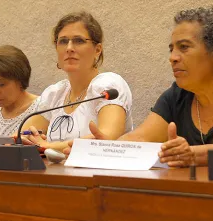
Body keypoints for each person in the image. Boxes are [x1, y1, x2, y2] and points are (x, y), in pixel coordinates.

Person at [72, 7, 213, 167]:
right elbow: (141, 138)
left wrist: (190, 155)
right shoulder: (178, 95)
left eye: (184, 47)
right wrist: (104, 148)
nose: (173, 58)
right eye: (171, 49)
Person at [22, 11, 133, 152]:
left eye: (78, 41)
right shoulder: (55, 93)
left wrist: (47, 146)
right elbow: (23, 136)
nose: (69, 48)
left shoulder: (108, 86)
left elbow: (105, 139)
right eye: (63, 41)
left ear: (97, 50)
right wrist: (25, 138)